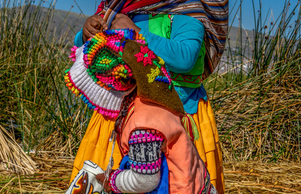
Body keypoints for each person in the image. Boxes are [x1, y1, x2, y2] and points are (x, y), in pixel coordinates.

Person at [69, 0, 228, 193]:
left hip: (170, 114)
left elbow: (186, 58)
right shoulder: (117, 2)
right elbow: (93, 48)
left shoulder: (185, 4)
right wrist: (84, 34)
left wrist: (135, 32)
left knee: (173, 182)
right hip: (118, 113)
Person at [66, 29, 216, 193]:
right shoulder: (153, 101)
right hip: (195, 184)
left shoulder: (142, 124)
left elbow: (144, 180)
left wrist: (112, 181)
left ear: (113, 87)